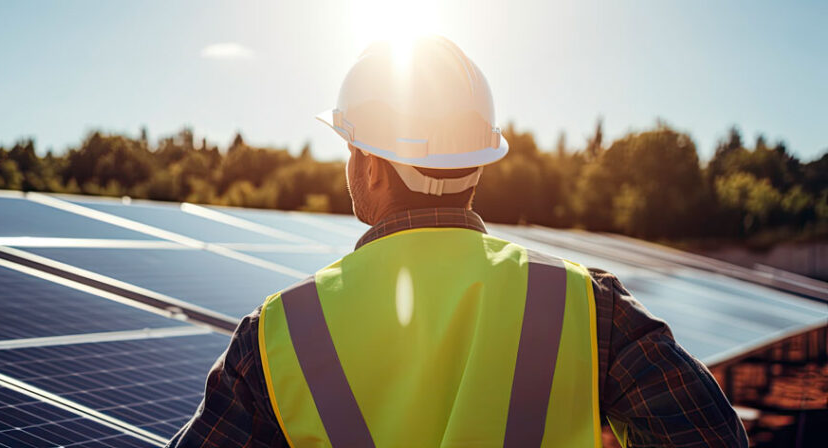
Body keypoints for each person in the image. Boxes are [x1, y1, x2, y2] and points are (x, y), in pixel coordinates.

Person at [168, 36, 747, 447]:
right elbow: (711, 437)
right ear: (478, 165)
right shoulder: (586, 305)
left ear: (371, 165)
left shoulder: (278, 333)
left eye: (351, 149)